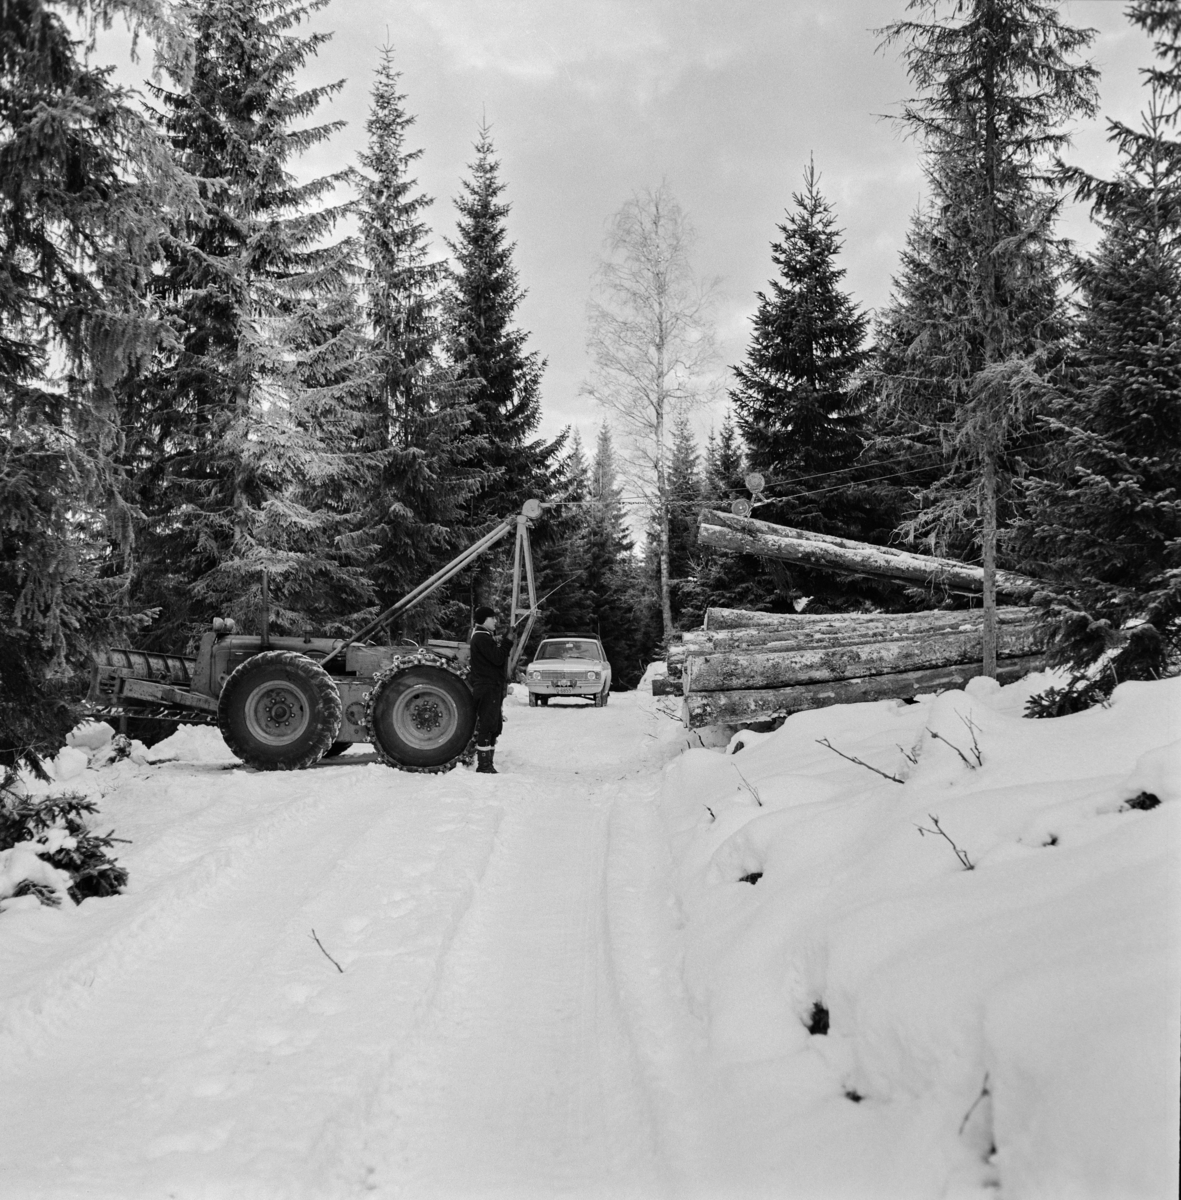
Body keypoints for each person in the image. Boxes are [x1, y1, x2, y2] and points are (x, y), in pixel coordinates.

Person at [468, 604, 516, 774]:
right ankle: (484, 765)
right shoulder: (481, 637)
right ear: (483, 620)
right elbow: (497, 658)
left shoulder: (484, 636)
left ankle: (488, 761)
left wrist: (501, 640)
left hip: (491, 687)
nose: (495, 621)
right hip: (487, 687)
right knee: (487, 726)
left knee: (494, 726)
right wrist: (508, 641)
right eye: (492, 618)